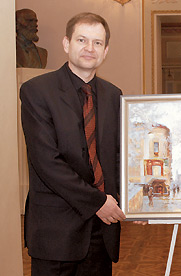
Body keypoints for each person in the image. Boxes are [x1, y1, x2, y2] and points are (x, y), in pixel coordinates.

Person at [20, 12, 126, 276]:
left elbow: (119, 157)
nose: (90, 48)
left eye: (97, 43)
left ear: (106, 50)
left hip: (102, 232)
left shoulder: (114, 96)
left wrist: (137, 199)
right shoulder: (36, 91)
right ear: (67, 44)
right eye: (82, 40)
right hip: (56, 232)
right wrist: (99, 202)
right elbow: (47, 163)